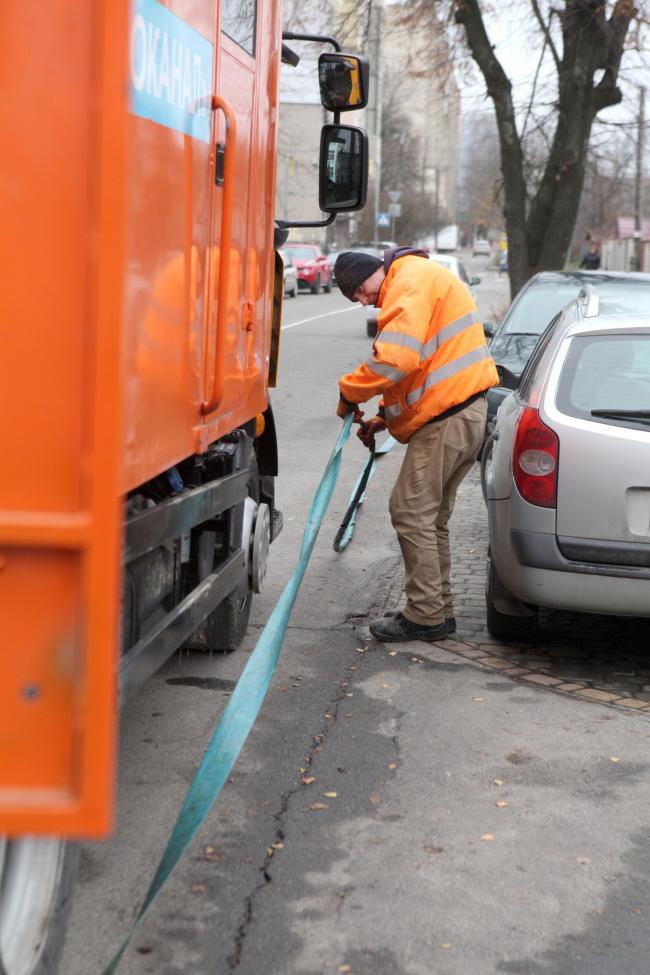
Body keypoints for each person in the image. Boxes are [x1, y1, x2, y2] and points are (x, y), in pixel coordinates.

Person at [334, 248, 499, 643]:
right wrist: (385, 418)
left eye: (358, 289)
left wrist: (349, 391)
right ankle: (436, 609)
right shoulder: (418, 278)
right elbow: (425, 368)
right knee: (431, 517)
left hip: (447, 421)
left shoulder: (406, 281)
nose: (361, 300)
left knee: (409, 512)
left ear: (375, 272)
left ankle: (424, 616)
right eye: (353, 296)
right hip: (463, 414)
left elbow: (396, 359)